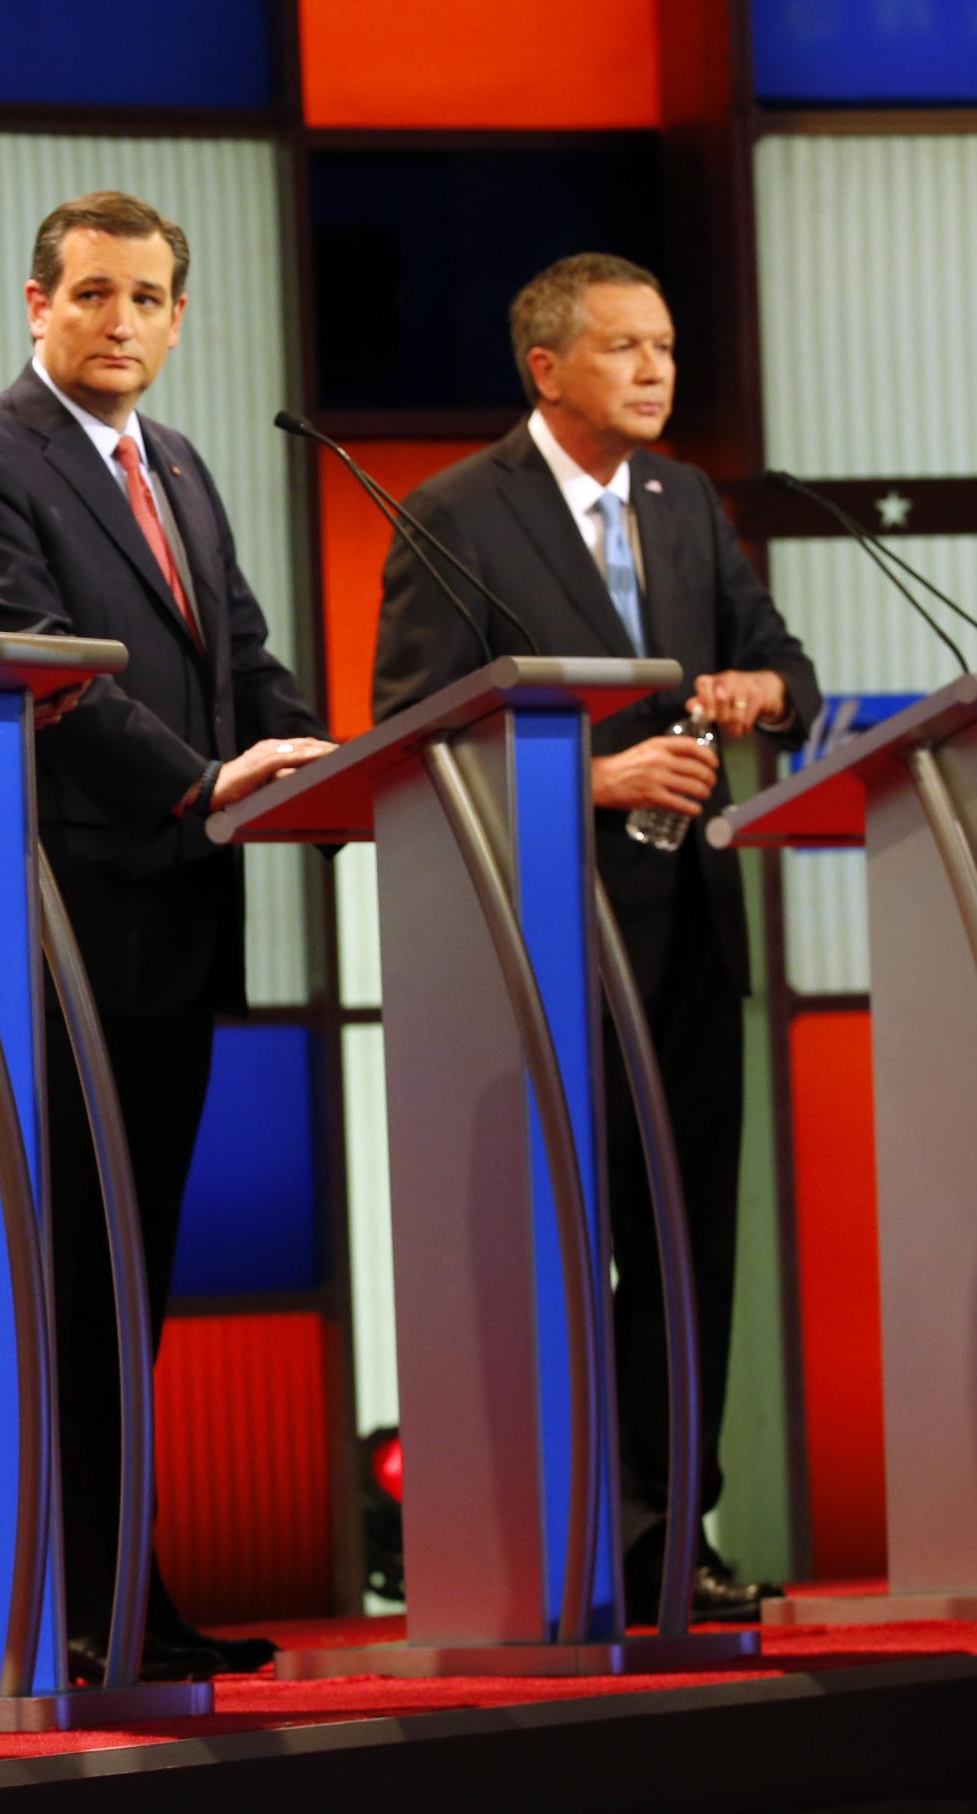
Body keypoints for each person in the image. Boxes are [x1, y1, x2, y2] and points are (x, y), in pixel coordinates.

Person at [0, 192, 329, 1681]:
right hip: (60, 927)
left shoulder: (187, 467)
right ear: (36, 305)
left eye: (148, 298)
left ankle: (123, 1591)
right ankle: (66, 1599)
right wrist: (200, 781)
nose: (120, 322)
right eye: (92, 294)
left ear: (179, 316)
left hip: (183, 920)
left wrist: (314, 765)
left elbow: (248, 658)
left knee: (132, 1280)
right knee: (68, 1279)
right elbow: (38, 675)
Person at [371, 251, 820, 1625]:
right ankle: (558, 1542)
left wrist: (762, 690)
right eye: (624, 348)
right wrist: (591, 779)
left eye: (667, 348)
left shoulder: (690, 506)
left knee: (684, 1248)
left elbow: (787, 669)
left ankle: (672, 1536)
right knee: (564, 1249)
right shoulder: (454, 512)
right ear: (547, 369)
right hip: (538, 948)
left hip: (688, 936)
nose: (655, 371)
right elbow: (414, 735)